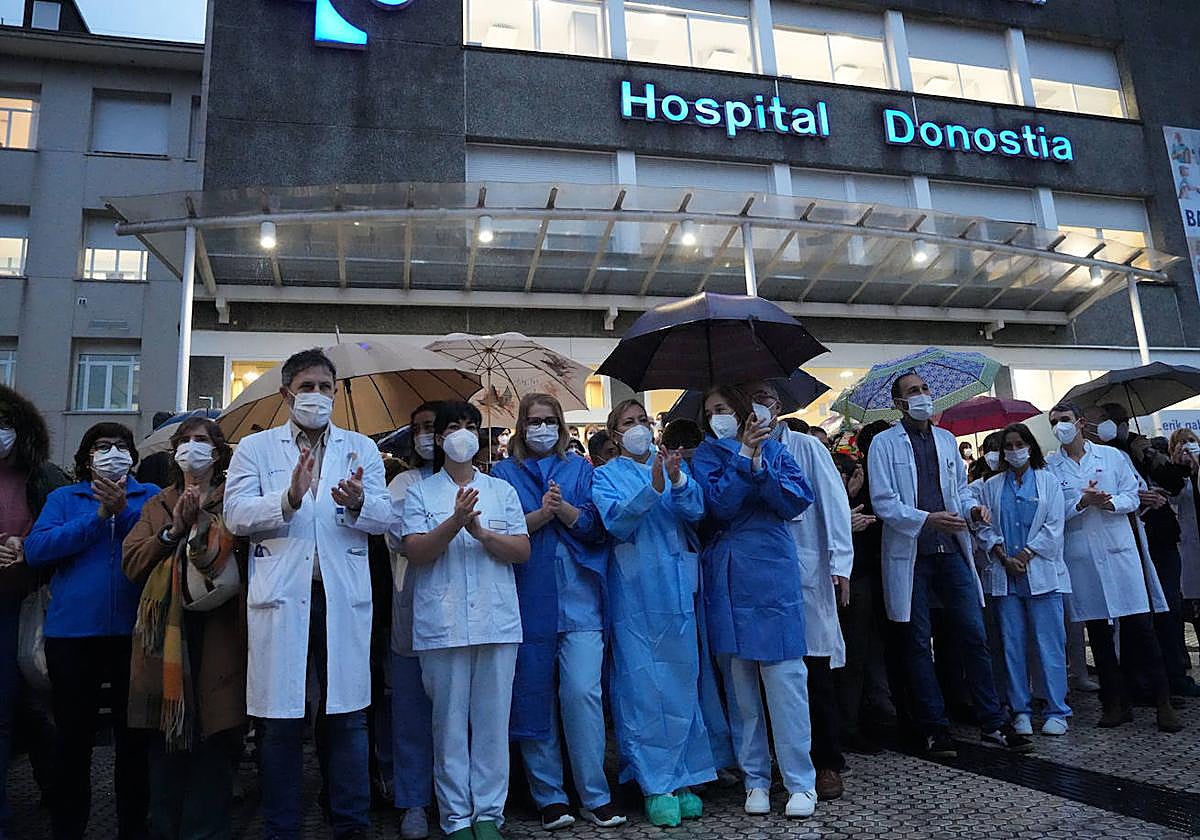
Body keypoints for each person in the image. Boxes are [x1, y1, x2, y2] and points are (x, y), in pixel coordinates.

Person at [223, 348, 393, 839]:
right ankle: (281, 828)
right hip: (283, 597)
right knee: (279, 721)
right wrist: (289, 498)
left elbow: (386, 518)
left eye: (325, 387)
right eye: (307, 387)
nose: (317, 396)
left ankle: (352, 826)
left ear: (336, 393)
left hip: (342, 596)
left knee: (347, 715)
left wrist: (361, 503)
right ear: (286, 394)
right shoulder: (255, 451)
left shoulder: (361, 449)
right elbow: (235, 516)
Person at [868, 372, 1032, 757]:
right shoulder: (883, 443)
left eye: (925, 389)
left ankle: (993, 721)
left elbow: (958, 489)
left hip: (951, 551)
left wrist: (972, 509)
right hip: (912, 555)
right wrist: (927, 519)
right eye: (914, 392)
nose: (923, 396)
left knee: (974, 635)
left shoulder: (945, 440)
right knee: (917, 644)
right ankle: (934, 728)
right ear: (899, 403)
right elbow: (884, 501)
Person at [399, 401, 530, 840]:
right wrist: (454, 522)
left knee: (493, 722)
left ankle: (489, 814)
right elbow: (415, 551)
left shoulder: (501, 491)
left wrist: (482, 533)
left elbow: (521, 551)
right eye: (453, 427)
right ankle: (456, 817)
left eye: (471, 426)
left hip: (496, 620)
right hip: (444, 623)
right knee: (449, 724)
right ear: (438, 439)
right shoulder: (420, 492)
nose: (462, 434)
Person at [491, 394, 623, 830]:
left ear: (562, 426)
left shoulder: (581, 468)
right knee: (534, 697)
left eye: (549, 421)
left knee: (583, 694)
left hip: (580, 599)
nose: (542, 428)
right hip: (528, 598)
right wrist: (541, 516)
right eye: (534, 421)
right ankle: (549, 796)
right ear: (521, 427)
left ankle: (594, 795)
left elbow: (595, 527)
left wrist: (564, 510)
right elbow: (499, 533)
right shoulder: (502, 473)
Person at [24, 422, 157, 839]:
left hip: (134, 634)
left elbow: (160, 543)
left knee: (134, 741)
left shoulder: (149, 497)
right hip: (73, 635)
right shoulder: (65, 498)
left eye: (121, 446)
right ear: (86, 457)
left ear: (132, 458)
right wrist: (98, 518)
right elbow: (37, 549)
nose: (113, 452)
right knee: (73, 740)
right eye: (103, 446)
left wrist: (125, 511)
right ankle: (68, 828)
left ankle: (133, 828)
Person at [692, 386, 818, 819]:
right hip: (727, 575)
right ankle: (756, 779)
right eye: (709, 412)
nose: (716, 417)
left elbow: (795, 500)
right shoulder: (706, 456)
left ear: (743, 410)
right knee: (741, 689)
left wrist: (761, 462)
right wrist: (743, 456)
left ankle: (801, 781)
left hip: (771, 573)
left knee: (786, 685)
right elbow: (719, 506)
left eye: (723, 408)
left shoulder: (778, 448)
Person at [122, 417, 247, 838]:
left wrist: (207, 531)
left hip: (222, 631)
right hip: (168, 639)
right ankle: (165, 827)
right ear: (175, 452)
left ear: (218, 451)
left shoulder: (237, 497)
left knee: (217, 738)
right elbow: (133, 561)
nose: (193, 448)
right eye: (186, 441)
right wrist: (174, 529)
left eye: (202, 441)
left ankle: (205, 830)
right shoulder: (158, 502)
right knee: (168, 742)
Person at [592, 399, 713, 828]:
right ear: (614, 434)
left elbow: (696, 512)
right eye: (629, 422)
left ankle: (684, 776)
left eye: (644, 421)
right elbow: (616, 524)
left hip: (677, 590)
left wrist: (678, 481)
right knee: (642, 686)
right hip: (634, 593)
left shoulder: (673, 465)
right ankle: (653, 783)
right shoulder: (604, 476)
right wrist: (652, 489)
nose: (639, 427)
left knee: (683, 681)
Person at [742, 380, 853, 802]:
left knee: (814, 671)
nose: (761, 404)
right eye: (753, 399)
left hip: (809, 571)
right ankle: (783, 761)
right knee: (771, 675)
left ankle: (825, 761)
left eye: (766, 397)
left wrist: (840, 563)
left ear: (780, 404)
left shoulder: (807, 447)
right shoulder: (745, 449)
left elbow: (834, 505)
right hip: (764, 576)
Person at [1046, 402, 1182, 732]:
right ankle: (1113, 704)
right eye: (1053, 423)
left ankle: (1163, 702)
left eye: (1064, 421)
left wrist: (1110, 502)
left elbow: (1133, 495)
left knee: (1141, 628)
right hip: (1082, 557)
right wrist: (1081, 502)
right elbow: (1051, 509)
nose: (1059, 427)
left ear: (1079, 423)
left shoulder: (1111, 457)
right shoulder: (1050, 466)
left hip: (1119, 552)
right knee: (1100, 635)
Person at [0, 385, 68, 833]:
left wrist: (30, 548)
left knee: (10, 713)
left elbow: (62, 531)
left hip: (18, 608)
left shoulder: (42, 478)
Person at [974, 424, 1071, 736]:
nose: (1015, 450)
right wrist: (1004, 557)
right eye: (1009, 445)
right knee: (1012, 645)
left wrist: (1026, 555)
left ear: (1030, 446)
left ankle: (1057, 709)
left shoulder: (1048, 482)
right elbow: (984, 527)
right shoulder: (992, 485)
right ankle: (1020, 710)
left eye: (1020, 444)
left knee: (1050, 645)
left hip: (1041, 574)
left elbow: (1055, 526)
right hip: (1006, 576)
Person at [1097, 403, 1198, 697]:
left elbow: (1172, 480)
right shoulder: (1098, 454)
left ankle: (1174, 675)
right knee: (1135, 614)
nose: (1105, 425)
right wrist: (1134, 496)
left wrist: (1178, 469)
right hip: (1126, 539)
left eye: (1111, 420)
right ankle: (1139, 681)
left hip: (1161, 534)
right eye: (1101, 420)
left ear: (1123, 422)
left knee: (1169, 608)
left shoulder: (1141, 447)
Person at [385, 403, 440, 840]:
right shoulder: (402, 482)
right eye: (419, 429)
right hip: (412, 603)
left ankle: (457, 798)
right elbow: (403, 538)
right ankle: (414, 801)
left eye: (433, 428)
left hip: (464, 609)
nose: (427, 437)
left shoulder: (482, 481)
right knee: (411, 711)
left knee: (460, 713)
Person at [1167, 429, 1200, 660]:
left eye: (1191, 441)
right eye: (1181, 443)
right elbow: (1173, 501)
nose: (1188, 446)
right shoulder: (1173, 474)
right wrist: (1180, 469)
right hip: (1190, 548)